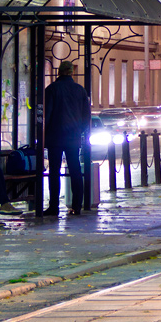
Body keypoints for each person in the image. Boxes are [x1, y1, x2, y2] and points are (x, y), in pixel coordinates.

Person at [44, 61, 91, 216]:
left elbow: (47, 115)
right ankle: (77, 206)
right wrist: (79, 130)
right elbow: (86, 116)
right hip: (73, 137)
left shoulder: (52, 89)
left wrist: (45, 133)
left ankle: (53, 206)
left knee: (54, 172)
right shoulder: (80, 90)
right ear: (72, 72)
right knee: (75, 170)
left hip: (55, 137)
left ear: (59, 72)